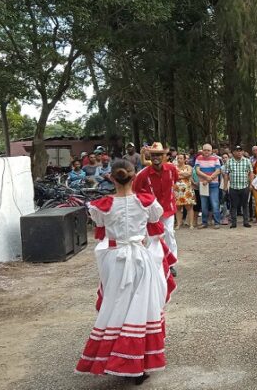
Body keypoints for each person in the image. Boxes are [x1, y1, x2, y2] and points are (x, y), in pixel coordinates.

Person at [75, 160, 176, 384]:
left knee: (115, 304)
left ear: (111, 178)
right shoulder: (147, 202)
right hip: (140, 257)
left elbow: (100, 232)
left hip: (115, 258)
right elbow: (155, 225)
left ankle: (111, 356)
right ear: (134, 177)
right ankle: (136, 362)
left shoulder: (100, 206)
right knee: (141, 306)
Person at [133, 142, 179, 277]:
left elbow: (174, 181)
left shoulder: (171, 169)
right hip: (151, 211)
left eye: (159, 155)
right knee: (152, 237)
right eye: (153, 155)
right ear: (150, 156)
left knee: (169, 233)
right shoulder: (143, 174)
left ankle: (171, 264)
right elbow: (135, 191)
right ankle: (152, 263)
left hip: (168, 208)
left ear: (164, 156)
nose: (156, 157)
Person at [194, 144, 222, 229]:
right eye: (205, 150)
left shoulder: (216, 159)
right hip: (203, 185)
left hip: (213, 184)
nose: (206, 152)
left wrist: (208, 179)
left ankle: (217, 222)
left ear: (211, 151)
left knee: (215, 203)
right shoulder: (198, 158)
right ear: (202, 150)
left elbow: (218, 171)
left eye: (208, 150)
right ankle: (204, 222)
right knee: (204, 204)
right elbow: (197, 170)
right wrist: (207, 178)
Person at [227, 145, 254, 229]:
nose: (239, 152)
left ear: (243, 152)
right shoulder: (229, 161)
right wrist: (225, 186)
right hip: (233, 187)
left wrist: (251, 184)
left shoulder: (247, 161)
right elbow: (226, 174)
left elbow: (251, 173)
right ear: (233, 152)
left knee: (245, 204)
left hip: (244, 186)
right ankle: (233, 222)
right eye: (237, 150)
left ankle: (246, 222)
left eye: (240, 150)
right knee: (233, 205)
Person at [174, 153, 195, 229]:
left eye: (181, 158)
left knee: (189, 206)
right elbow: (174, 176)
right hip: (177, 189)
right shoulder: (174, 167)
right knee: (178, 207)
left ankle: (191, 224)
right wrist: (183, 174)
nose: (179, 160)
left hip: (187, 189)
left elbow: (189, 174)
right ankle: (178, 224)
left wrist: (179, 174)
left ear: (185, 159)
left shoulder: (188, 167)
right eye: (178, 158)